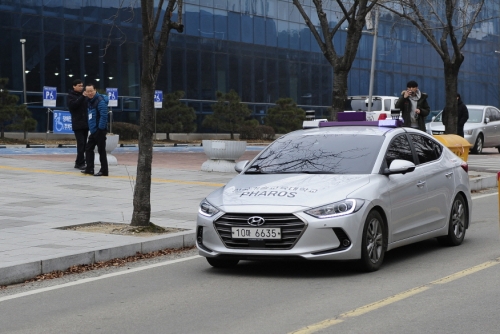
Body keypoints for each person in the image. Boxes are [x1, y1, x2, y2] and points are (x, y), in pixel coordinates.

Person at [81, 83, 109, 177]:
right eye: (88, 91)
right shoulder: (90, 101)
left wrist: (100, 129)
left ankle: (104, 170)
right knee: (88, 148)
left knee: (101, 151)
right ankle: (90, 168)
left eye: (91, 91)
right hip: (93, 130)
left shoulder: (100, 101)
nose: (90, 93)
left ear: (95, 90)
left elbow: (104, 116)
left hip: (99, 130)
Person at [67, 79, 89, 170]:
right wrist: (82, 97)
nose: (81, 87)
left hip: (85, 123)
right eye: (79, 86)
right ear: (74, 86)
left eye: (82, 86)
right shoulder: (70, 96)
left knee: (84, 145)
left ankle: (78, 162)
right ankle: (80, 163)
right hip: (77, 123)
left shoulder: (84, 96)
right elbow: (73, 106)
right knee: (81, 143)